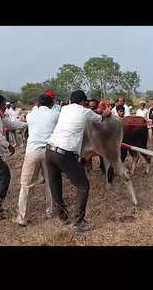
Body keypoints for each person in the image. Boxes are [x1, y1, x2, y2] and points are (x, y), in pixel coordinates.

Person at [45, 90, 112, 232]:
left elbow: (86, 112)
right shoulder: (85, 112)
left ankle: (62, 217)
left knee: (55, 185)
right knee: (83, 186)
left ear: (70, 100)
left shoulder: (64, 108)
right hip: (65, 153)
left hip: (50, 150)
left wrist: (96, 110)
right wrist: (106, 112)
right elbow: (101, 118)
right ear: (83, 102)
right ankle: (78, 222)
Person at [15, 94, 60, 226]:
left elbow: (26, 119)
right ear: (52, 104)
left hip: (32, 152)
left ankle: (22, 218)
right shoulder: (55, 114)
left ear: (37, 103)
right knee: (51, 184)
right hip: (49, 151)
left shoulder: (30, 115)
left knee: (26, 186)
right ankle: (51, 212)